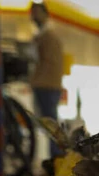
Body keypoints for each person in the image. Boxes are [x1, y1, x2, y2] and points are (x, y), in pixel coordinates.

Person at [28, 1, 64, 159]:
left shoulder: (47, 36)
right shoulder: (45, 35)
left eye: (36, 12)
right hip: (47, 84)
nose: (33, 16)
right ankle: (55, 157)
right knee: (49, 122)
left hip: (46, 84)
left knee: (50, 122)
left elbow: (45, 61)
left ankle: (56, 157)